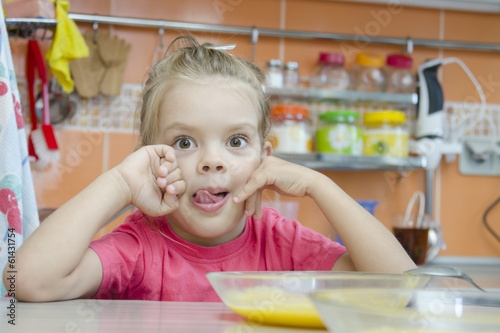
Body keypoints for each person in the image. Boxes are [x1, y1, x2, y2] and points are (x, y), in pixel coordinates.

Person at [3, 35, 415, 302]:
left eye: (236, 142)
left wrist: (320, 185)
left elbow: (400, 288)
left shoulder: (281, 242)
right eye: (184, 142)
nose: (212, 160)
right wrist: (120, 183)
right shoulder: (139, 246)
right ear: (154, 158)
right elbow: (24, 280)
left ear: (263, 156)